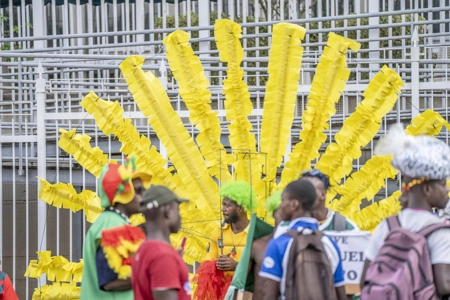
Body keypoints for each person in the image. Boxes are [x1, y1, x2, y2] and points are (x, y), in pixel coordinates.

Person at [360, 124, 450, 298]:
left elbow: (365, 278)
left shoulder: (387, 226)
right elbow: (444, 285)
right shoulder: (439, 231)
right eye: (442, 184)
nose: (447, 189)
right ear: (427, 190)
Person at [258, 179, 347, 300]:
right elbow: (341, 293)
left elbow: (269, 294)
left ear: (294, 204)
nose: (280, 205)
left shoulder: (279, 243)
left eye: (283, 200)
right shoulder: (330, 244)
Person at [80, 159, 152, 300]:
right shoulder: (113, 225)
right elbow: (110, 281)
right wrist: (154, 272)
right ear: (123, 194)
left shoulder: (112, 222)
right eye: (138, 191)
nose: (143, 196)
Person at [132, 185, 191, 300]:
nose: (180, 217)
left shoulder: (144, 248)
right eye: (177, 210)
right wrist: (169, 261)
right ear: (168, 211)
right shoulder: (163, 255)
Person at [205, 181, 257, 272]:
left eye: (227, 205)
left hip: (246, 286)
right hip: (223, 285)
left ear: (240, 208)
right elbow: (207, 263)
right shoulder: (218, 231)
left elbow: (264, 269)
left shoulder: (258, 233)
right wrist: (217, 263)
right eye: (223, 205)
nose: (223, 209)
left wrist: (236, 265)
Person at [250, 190, 283, 299]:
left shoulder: (300, 246)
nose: (285, 219)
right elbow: (242, 284)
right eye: (282, 212)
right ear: (274, 213)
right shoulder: (257, 246)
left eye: (290, 216)